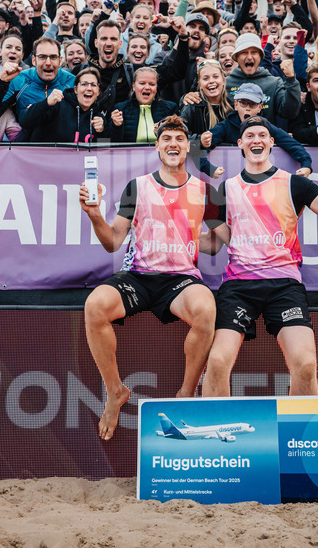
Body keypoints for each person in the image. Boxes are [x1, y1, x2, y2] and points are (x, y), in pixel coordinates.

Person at [202, 114, 318, 397]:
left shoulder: (295, 184)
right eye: (250, 136)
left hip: (284, 286)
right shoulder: (225, 189)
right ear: (240, 143)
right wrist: (175, 234)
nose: (256, 140)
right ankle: (219, 425)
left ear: (271, 142)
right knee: (217, 363)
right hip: (239, 287)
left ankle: (300, 426)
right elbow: (212, 244)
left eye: (262, 135)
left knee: (305, 365)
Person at [79, 114, 219, 439]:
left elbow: (215, 244)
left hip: (181, 279)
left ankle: (186, 392)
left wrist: (192, 236)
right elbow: (113, 242)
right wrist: (95, 215)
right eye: (166, 139)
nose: (173, 144)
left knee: (206, 309)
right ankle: (115, 391)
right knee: (94, 306)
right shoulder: (137, 186)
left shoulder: (205, 191)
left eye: (179, 139)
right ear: (157, 146)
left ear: (188, 147)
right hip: (138, 276)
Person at [201, 83, 313, 179]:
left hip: (260, 180)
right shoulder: (224, 127)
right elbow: (198, 149)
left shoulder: (266, 127)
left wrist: (306, 165)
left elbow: (292, 144)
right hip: (231, 181)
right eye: (243, 103)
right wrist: (209, 169)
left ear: (260, 107)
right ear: (236, 105)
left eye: (252, 104)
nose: (247, 108)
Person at [224, 32, 301, 125]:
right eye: (244, 52)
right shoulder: (225, 84)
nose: (249, 57)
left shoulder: (274, 83)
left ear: (261, 57)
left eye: (254, 52)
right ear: (236, 57)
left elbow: (290, 112)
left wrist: (291, 79)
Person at [19, 66, 109, 143]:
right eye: (84, 84)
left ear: (98, 92)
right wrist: (46, 103)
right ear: (75, 90)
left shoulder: (99, 118)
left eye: (93, 85)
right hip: (47, 157)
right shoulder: (57, 105)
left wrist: (101, 132)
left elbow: (104, 153)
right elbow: (25, 122)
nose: (89, 88)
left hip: (80, 159)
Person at [108, 67, 177, 143]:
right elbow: (110, 143)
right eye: (142, 83)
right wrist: (116, 126)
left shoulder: (170, 108)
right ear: (133, 86)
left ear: (156, 87)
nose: (147, 87)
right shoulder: (120, 109)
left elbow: (179, 138)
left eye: (152, 84)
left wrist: (164, 133)